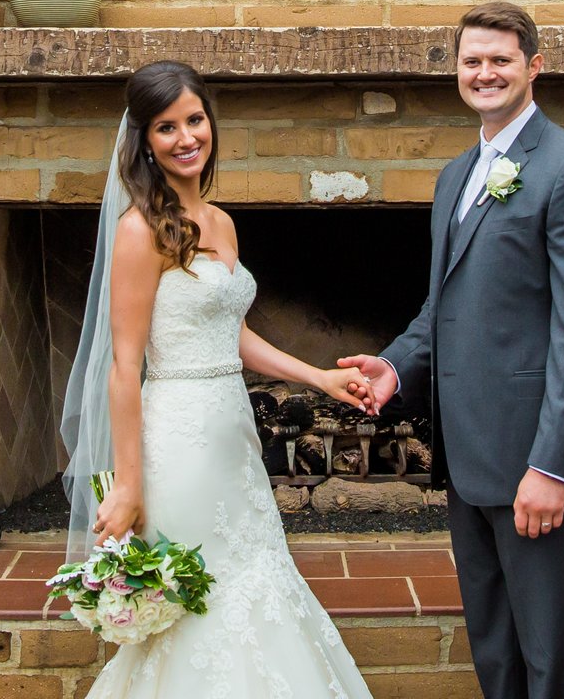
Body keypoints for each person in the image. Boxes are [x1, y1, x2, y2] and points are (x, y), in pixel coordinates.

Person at [341, 2, 564, 699]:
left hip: (535, 465)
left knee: (557, 662)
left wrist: (552, 466)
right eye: (472, 61)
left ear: (534, 67)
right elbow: (445, 307)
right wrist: (395, 365)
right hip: (469, 463)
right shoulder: (455, 176)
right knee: (497, 654)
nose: (485, 73)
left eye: (501, 59)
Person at [61, 59, 376, 698]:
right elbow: (125, 366)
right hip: (178, 443)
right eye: (166, 127)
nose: (186, 138)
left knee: (255, 582)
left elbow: (229, 332)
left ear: (211, 122)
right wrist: (128, 485)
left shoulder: (222, 222)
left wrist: (318, 377)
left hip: (233, 442)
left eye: (195, 120)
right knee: (200, 605)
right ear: (145, 141)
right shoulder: (138, 231)